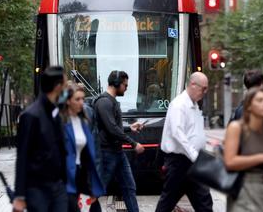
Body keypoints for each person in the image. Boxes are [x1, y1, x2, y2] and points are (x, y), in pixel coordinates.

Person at [224, 70, 263, 212]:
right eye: (259, 100)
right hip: (243, 195)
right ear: (249, 105)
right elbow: (229, 162)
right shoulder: (236, 128)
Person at [155, 72, 213, 212]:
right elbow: (177, 133)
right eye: (203, 88)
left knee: (204, 202)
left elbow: (195, 133)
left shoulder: (194, 105)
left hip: (192, 162)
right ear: (193, 85)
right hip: (179, 163)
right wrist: (194, 154)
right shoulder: (179, 105)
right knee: (167, 202)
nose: (204, 92)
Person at [13, 66, 68, 212]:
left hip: (58, 186)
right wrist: (19, 196)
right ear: (57, 87)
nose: (67, 88)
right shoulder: (30, 116)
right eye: (65, 84)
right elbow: (22, 156)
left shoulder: (56, 113)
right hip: (37, 189)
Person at [94, 71, 145, 212]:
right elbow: (112, 129)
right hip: (106, 154)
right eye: (125, 85)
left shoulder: (112, 101)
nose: (126, 88)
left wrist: (130, 128)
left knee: (129, 187)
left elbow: (115, 127)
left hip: (117, 152)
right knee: (97, 191)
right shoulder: (104, 102)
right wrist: (133, 144)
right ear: (116, 83)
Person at [61, 84, 104, 212]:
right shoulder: (59, 122)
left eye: (83, 99)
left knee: (95, 209)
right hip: (66, 177)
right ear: (68, 101)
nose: (81, 103)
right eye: (77, 99)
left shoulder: (83, 121)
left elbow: (91, 152)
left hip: (83, 175)